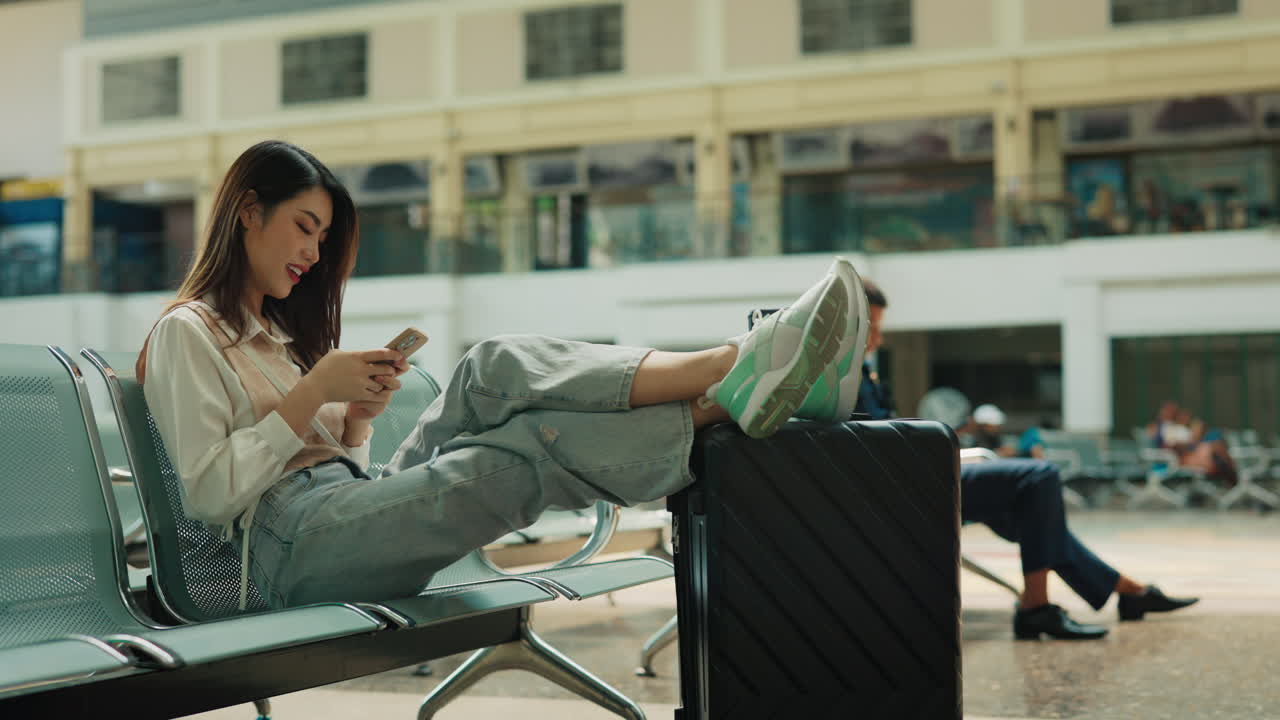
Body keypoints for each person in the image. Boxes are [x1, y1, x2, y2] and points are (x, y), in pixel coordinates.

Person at [138, 140, 869, 609]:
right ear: (246, 213)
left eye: (322, 236)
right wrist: (313, 394)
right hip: (282, 555)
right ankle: (734, 382)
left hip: (340, 515)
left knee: (492, 365)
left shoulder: (275, 334)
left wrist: (354, 418)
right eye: (305, 226)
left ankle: (727, 375)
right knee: (516, 457)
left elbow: (338, 470)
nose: (313, 251)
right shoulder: (187, 334)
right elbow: (207, 495)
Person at [843, 279, 1198, 640]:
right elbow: (873, 441)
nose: (879, 339)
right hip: (909, 487)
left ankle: (1125, 594)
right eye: (874, 327)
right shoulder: (844, 374)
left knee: (1032, 515)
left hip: (918, 476)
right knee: (1038, 477)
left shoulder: (860, 372)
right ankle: (1041, 606)